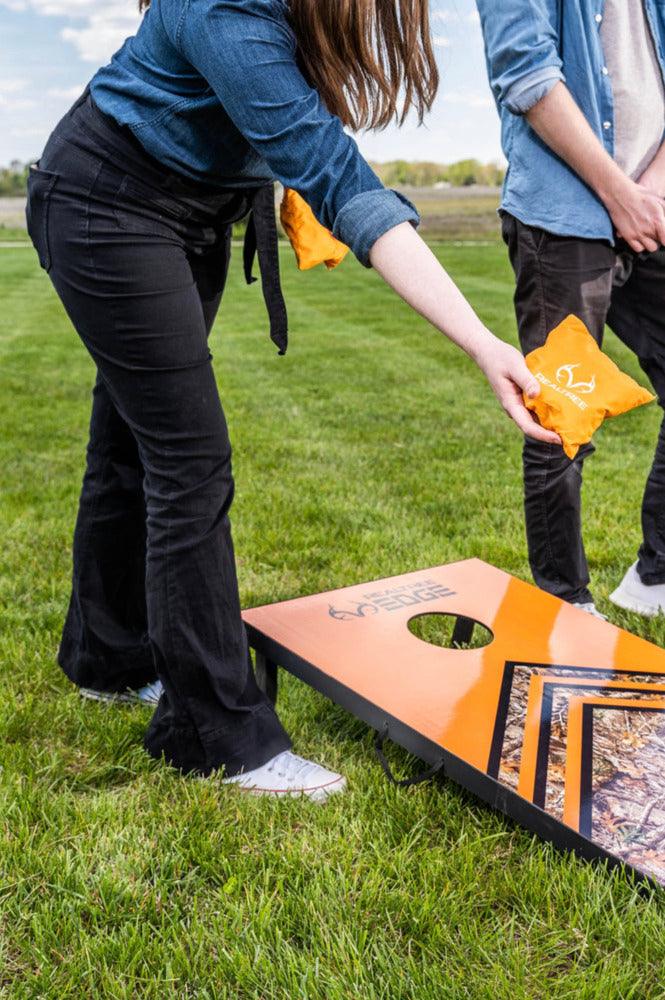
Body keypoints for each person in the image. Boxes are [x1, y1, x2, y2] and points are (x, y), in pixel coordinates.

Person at [25, 0, 561, 802]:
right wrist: (484, 344)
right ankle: (213, 737)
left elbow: (330, 171)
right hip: (108, 203)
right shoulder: (226, 10)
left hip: (191, 213)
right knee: (189, 461)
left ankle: (108, 658)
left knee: (131, 442)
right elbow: (341, 177)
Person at [475, 0, 665, 629]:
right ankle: (565, 603)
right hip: (564, 213)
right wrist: (616, 192)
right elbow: (525, 68)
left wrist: (654, 186)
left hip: (654, 206)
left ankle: (657, 579)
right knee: (562, 415)